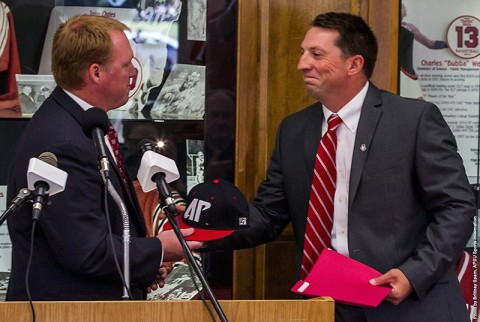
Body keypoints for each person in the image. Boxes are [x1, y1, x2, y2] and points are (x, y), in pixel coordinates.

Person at [206, 12, 475, 322]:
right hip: (324, 306)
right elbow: (268, 214)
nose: (301, 64)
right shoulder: (294, 130)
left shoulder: (413, 120)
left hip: (408, 307)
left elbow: (456, 208)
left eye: (316, 54)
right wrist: (204, 235)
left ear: (354, 64)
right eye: (302, 53)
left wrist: (413, 274)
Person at [6, 14, 201, 301]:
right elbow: (86, 250)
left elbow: (104, 225)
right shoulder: (63, 141)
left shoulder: (83, 123)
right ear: (96, 73)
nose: (135, 74)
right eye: (126, 65)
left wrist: (144, 265)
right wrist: (159, 248)